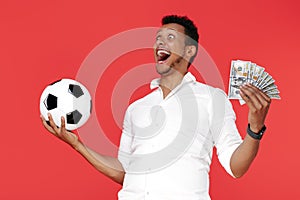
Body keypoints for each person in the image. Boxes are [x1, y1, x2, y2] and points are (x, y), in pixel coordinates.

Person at [41, 15, 271, 200]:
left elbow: (236, 167)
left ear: (189, 51)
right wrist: (77, 145)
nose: (159, 42)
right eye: (157, 38)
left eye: (170, 37)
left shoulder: (212, 99)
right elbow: (125, 172)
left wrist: (255, 128)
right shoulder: (136, 108)